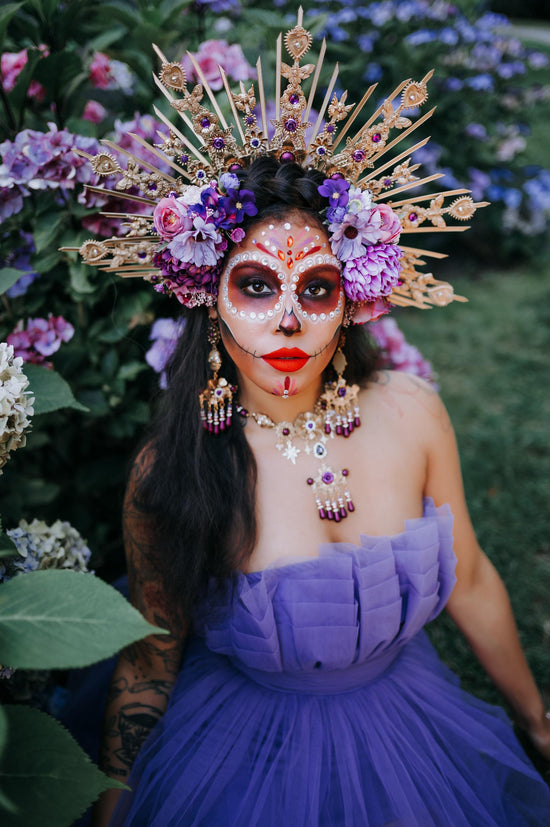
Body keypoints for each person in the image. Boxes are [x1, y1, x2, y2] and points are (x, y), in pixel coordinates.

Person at [69, 14, 550, 826]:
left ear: (352, 299)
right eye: (256, 285)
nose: (289, 319)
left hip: (409, 728)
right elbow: (151, 659)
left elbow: (466, 575)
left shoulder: (412, 409)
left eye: (317, 288)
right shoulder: (177, 466)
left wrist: (538, 720)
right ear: (207, 299)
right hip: (244, 756)